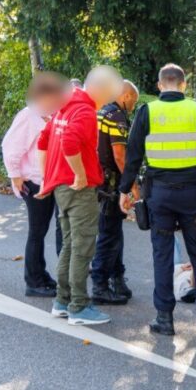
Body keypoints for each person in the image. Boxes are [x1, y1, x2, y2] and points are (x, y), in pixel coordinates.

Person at [119, 63, 196, 336]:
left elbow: (132, 156)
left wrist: (124, 190)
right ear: (184, 84)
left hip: (160, 194)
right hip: (191, 192)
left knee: (162, 254)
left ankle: (165, 319)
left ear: (160, 85)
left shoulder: (147, 112)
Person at [37, 65, 123, 326]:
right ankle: (79, 306)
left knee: (70, 245)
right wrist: (80, 174)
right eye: (111, 94)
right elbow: (69, 142)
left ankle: (62, 301)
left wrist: (48, 177)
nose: (110, 100)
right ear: (102, 89)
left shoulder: (66, 106)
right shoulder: (85, 110)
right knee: (83, 246)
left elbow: (43, 141)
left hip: (61, 187)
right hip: (78, 189)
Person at [2, 72, 68, 297]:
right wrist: (15, 176)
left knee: (43, 230)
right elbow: (10, 147)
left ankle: (41, 274)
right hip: (34, 181)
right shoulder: (28, 116)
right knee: (37, 232)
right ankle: (33, 281)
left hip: (50, 180)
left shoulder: (50, 115)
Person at [91, 80, 140, 305]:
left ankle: (117, 278)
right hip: (111, 185)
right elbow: (120, 155)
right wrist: (131, 185)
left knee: (113, 232)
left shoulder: (101, 111)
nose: (133, 106)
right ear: (126, 96)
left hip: (99, 181)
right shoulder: (117, 117)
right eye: (133, 101)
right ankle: (100, 285)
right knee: (109, 235)